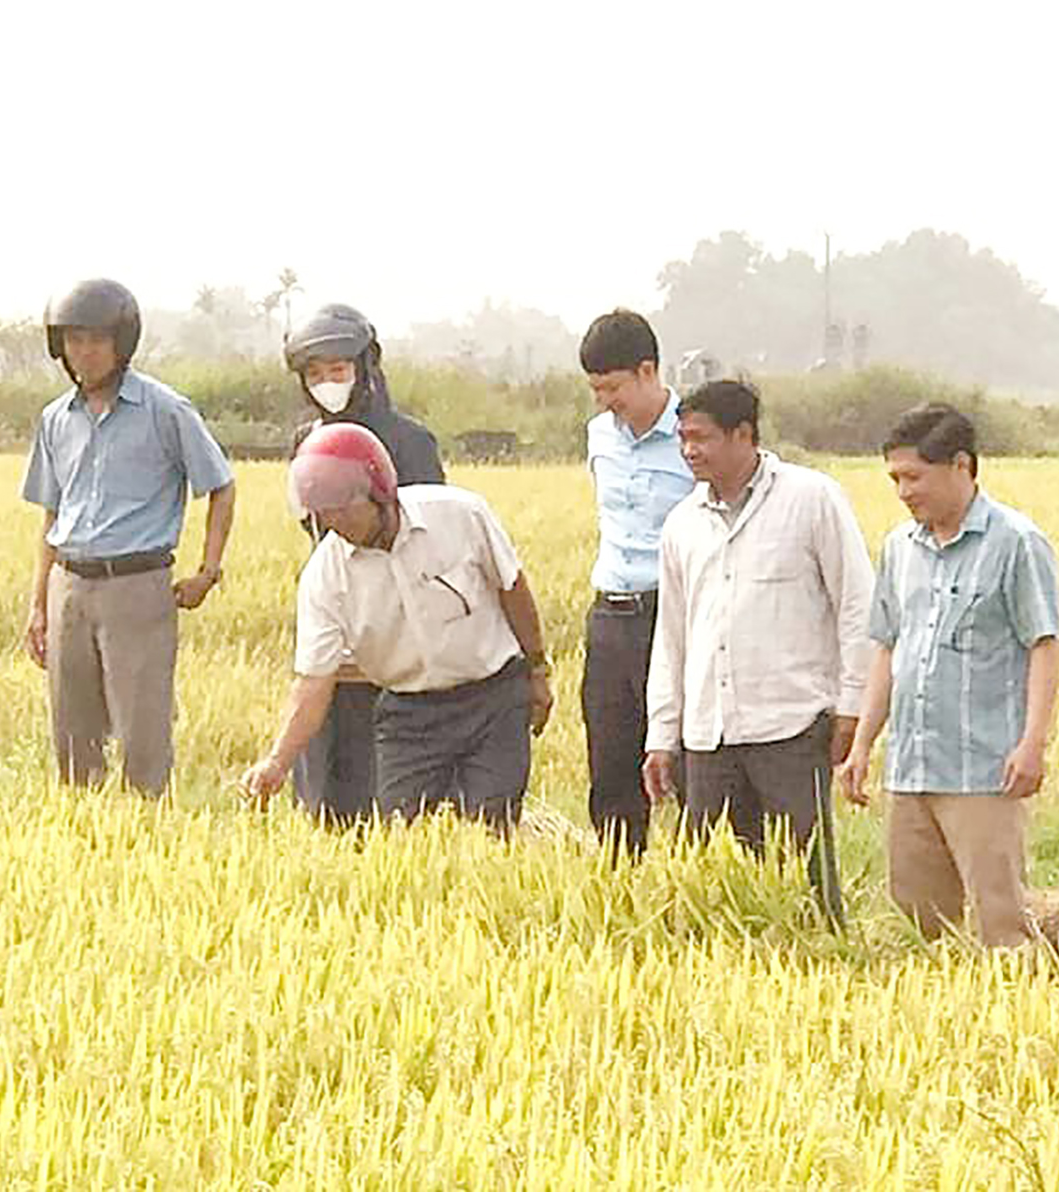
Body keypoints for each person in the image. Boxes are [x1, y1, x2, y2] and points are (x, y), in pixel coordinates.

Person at [240, 424, 553, 834]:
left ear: (379, 489)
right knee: (402, 837)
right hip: (410, 715)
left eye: (343, 506)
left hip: (491, 698)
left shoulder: (461, 515)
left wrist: (538, 670)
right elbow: (314, 682)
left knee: (491, 828)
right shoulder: (325, 576)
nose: (334, 521)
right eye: (322, 512)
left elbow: (513, 588)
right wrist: (277, 762)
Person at [643, 380, 873, 913]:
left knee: (806, 876)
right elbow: (672, 636)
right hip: (709, 733)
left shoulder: (810, 498)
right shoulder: (682, 524)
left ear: (743, 434)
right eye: (683, 439)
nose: (689, 451)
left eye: (701, 438)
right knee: (717, 885)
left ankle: (823, 963)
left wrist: (851, 705)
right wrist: (662, 735)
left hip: (790, 725)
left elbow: (857, 603)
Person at [839, 403, 1059, 947]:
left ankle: (1013, 1017)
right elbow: (889, 649)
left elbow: (1044, 644)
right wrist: (863, 745)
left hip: (983, 769)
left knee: (999, 921)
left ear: (961, 465)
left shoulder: (1016, 543)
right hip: (912, 767)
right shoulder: (899, 548)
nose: (903, 491)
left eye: (913, 476)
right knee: (916, 925)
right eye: (895, 478)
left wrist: (1032, 745)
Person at [20, 278, 236, 793]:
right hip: (70, 582)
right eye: (72, 341)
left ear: (122, 342)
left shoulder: (166, 410)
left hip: (137, 584)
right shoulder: (55, 419)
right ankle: (85, 834)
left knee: (142, 732)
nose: (83, 353)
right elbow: (52, 515)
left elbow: (220, 487)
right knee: (73, 731)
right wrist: (38, 603)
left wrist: (207, 571)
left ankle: (147, 833)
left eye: (95, 340)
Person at [282, 304, 445, 827]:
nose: (327, 383)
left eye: (338, 370)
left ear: (365, 369)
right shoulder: (305, 444)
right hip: (335, 618)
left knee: (390, 778)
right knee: (326, 768)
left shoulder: (410, 442)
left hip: (396, 628)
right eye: (314, 374)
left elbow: (429, 540)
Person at [579, 309, 694, 860]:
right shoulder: (599, 436)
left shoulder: (695, 437)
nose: (605, 400)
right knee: (611, 756)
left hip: (674, 617)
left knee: (687, 755)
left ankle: (702, 871)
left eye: (613, 387)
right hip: (610, 618)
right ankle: (620, 870)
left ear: (648, 371)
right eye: (596, 389)